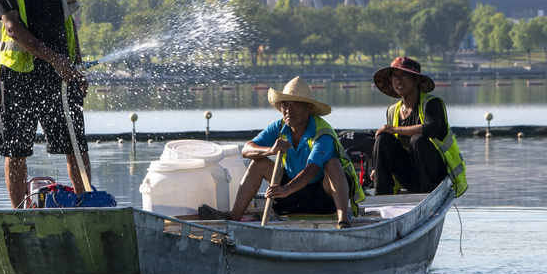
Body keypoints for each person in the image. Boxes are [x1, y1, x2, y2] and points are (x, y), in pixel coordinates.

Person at [0, 0, 92, 208]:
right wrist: (54, 59)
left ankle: (87, 203)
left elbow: (69, 22)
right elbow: (13, 28)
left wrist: (76, 65)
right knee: (16, 148)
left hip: (60, 71)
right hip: (19, 73)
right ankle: (19, 213)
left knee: (75, 143)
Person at [198, 77, 364, 228]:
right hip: (291, 195)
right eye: (285, 104)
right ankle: (234, 217)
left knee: (333, 163)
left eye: (295, 105)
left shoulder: (323, 132)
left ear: (309, 108)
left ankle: (343, 221)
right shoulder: (279, 126)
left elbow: (312, 169)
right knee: (258, 163)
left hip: (321, 197)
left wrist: (286, 190)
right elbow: (247, 149)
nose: (288, 110)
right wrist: (270, 150)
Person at [371, 57, 467, 197]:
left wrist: (394, 129)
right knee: (383, 138)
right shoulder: (393, 110)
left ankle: (428, 195)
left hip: (434, 175)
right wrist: (377, 168)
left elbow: (431, 128)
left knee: (418, 140)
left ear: (416, 80)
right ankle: (381, 196)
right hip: (409, 175)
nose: (398, 81)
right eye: (395, 77)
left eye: (403, 76)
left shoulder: (432, 103)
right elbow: (389, 145)